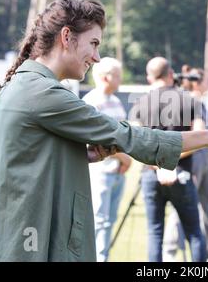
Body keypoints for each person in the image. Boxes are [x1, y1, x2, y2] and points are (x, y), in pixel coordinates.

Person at [0, 0, 208, 262]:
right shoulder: (42, 92)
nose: (97, 57)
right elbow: (130, 136)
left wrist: (74, 153)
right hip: (31, 247)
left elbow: (31, 159)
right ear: (67, 36)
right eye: (94, 43)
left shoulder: (21, 85)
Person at [132, 57, 207, 262]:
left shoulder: (140, 102)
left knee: (155, 233)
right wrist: (170, 161)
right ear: (171, 74)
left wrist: (158, 164)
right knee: (194, 232)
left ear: (150, 77)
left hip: (150, 174)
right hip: (181, 172)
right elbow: (200, 137)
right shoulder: (190, 100)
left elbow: (137, 143)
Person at [163, 67, 208, 262]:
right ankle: (170, 251)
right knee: (183, 206)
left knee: (207, 207)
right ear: (197, 81)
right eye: (206, 79)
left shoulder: (204, 103)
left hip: (205, 155)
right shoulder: (187, 102)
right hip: (192, 158)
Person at [82, 57, 131, 262]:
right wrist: (124, 158)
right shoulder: (92, 102)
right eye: (117, 75)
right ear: (104, 77)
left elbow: (124, 136)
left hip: (117, 171)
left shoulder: (116, 102)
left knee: (109, 220)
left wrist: (124, 159)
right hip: (100, 171)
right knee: (98, 221)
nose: (120, 79)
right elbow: (97, 140)